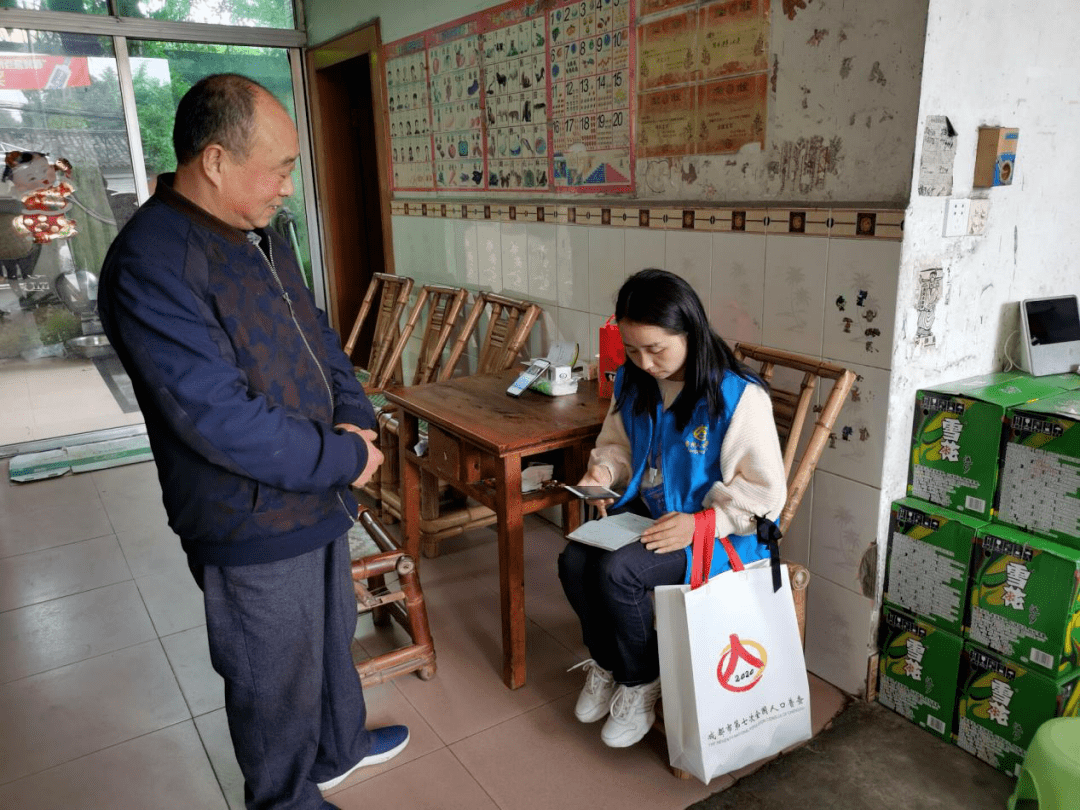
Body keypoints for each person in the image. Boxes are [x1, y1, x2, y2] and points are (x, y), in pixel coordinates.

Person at [97, 74, 408, 810]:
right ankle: (285, 798)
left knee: (331, 635)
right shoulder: (154, 262)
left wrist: (355, 415)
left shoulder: (260, 237)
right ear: (214, 160)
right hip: (249, 515)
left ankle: (336, 746)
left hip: (320, 488)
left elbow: (318, 338)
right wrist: (347, 456)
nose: (287, 188)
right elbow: (218, 420)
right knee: (274, 671)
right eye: (281, 168)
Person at [559, 268, 787, 749]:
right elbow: (618, 446)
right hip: (656, 515)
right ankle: (609, 663)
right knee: (574, 560)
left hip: (721, 534)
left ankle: (641, 682)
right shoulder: (633, 381)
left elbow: (765, 495)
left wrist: (706, 523)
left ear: (691, 330)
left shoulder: (737, 396)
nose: (644, 362)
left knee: (619, 572)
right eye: (632, 350)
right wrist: (605, 472)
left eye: (656, 349)